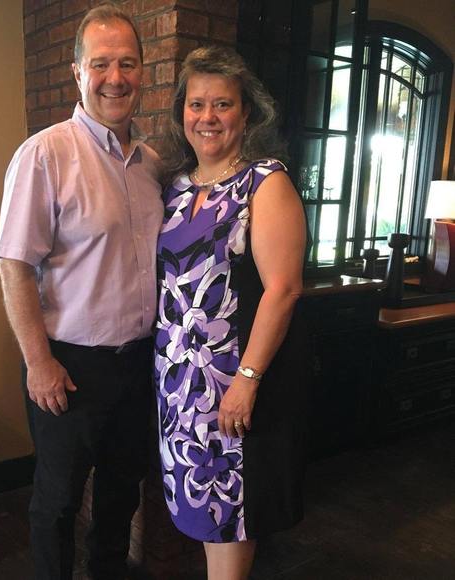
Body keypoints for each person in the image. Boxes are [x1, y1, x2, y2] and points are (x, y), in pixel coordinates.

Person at [0, 4, 163, 579]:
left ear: (142, 71)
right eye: (101, 64)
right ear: (78, 72)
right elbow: (14, 265)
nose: (115, 78)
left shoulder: (152, 165)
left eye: (127, 63)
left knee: (121, 492)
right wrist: (38, 362)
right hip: (68, 367)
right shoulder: (45, 154)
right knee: (58, 501)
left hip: (138, 363)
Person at [154, 45, 309, 580]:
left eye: (223, 104)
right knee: (202, 515)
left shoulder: (265, 183)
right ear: (182, 112)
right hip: (179, 386)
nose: (208, 117)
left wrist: (247, 380)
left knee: (230, 517)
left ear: (246, 114)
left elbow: (284, 289)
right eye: (196, 104)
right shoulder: (175, 187)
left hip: (229, 385)